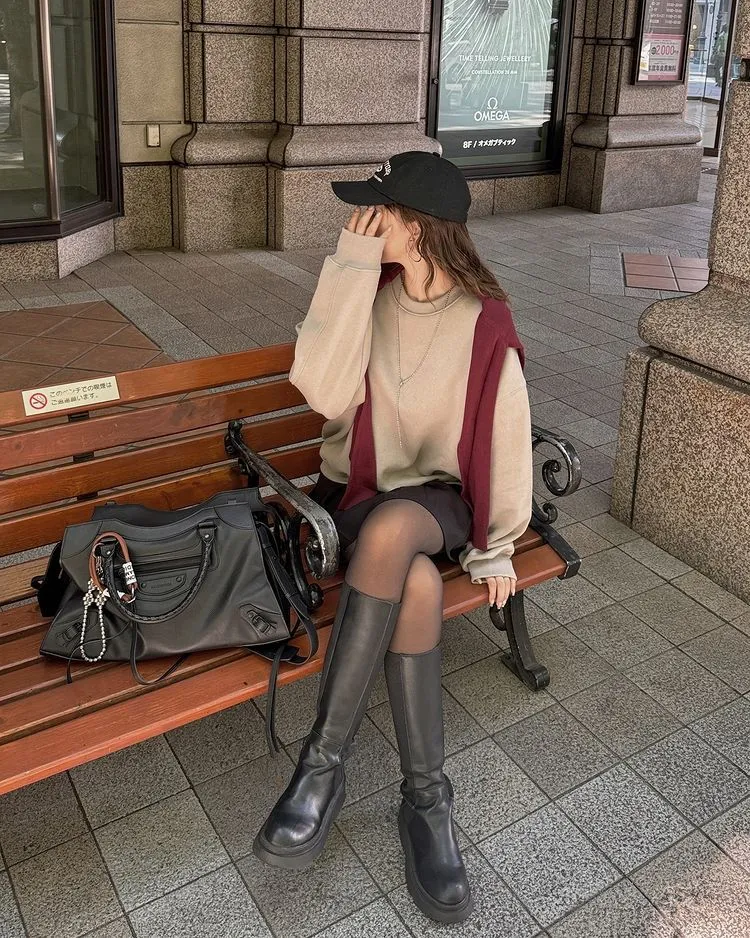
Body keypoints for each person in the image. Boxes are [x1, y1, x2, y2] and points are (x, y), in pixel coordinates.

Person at [253, 150, 533, 923]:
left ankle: (322, 769)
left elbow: (507, 434)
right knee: (408, 572)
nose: (362, 221)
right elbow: (320, 389)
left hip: (438, 503)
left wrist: (499, 544)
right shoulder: (368, 297)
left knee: (399, 529)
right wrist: (347, 267)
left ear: (415, 227)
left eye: (376, 213)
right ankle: (425, 801)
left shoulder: (485, 319)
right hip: (362, 494)